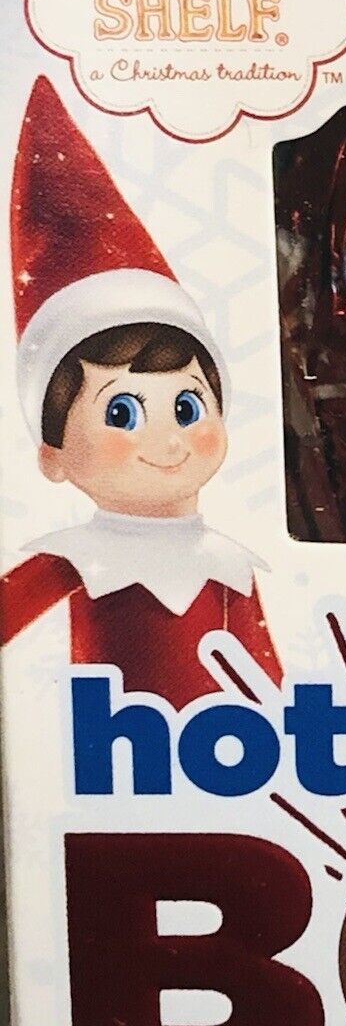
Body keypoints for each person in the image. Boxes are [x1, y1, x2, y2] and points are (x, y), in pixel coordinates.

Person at [0, 77, 281, 707]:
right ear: (52, 455)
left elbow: (265, 673)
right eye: (122, 412)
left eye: (186, 407)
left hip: (237, 752)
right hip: (111, 754)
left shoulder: (228, 565)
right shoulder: (77, 561)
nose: (169, 441)